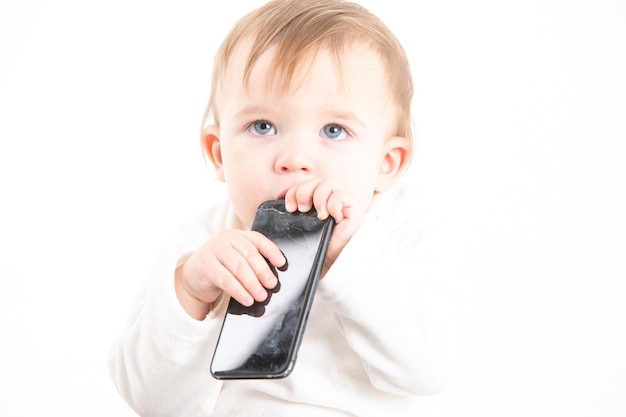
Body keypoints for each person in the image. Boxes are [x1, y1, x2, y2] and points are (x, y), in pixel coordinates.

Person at [108, 0, 471, 415]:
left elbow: (433, 369)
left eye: (334, 130)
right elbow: (149, 400)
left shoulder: (405, 228)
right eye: (262, 126)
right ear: (219, 153)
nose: (294, 158)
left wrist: (352, 254)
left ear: (386, 165)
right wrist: (190, 291)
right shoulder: (205, 243)